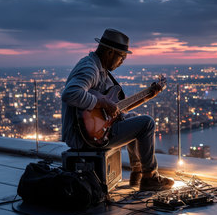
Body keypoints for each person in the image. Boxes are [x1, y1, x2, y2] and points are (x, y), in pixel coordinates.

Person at [61, 28, 174, 191]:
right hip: (84, 138)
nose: (122, 62)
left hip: (91, 133)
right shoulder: (90, 68)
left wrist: (148, 96)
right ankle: (150, 177)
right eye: (121, 57)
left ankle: (138, 173)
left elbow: (116, 109)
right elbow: (71, 93)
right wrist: (102, 103)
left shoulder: (100, 69)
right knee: (147, 123)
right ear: (109, 52)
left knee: (133, 117)